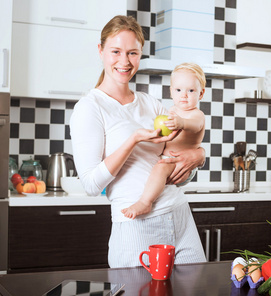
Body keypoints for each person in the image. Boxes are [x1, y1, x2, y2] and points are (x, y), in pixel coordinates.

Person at [69, 15, 207, 268]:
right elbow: (90, 184)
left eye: (132, 53)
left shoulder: (151, 103)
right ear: (100, 51)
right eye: (116, 51)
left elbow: (178, 170)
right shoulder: (90, 108)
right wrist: (133, 140)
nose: (124, 61)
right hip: (137, 226)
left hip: (179, 214)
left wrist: (198, 156)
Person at [121, 63, 206, 219]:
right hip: (169, 160)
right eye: (179, 90)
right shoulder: (171, 111)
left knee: (159, 169)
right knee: (156, 169)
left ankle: (145, 202)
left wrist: (182, 123)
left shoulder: (196, 114)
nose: (184, 95)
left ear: (201, 94)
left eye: (191, 90)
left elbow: (195, 126)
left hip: (181, 164)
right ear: (171, 92)